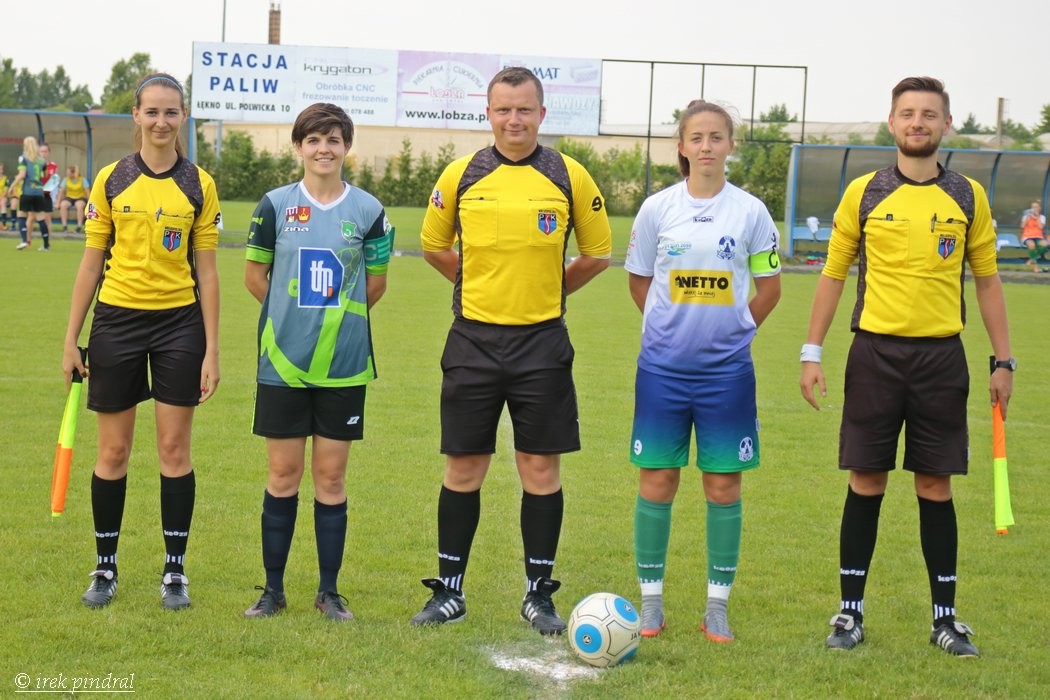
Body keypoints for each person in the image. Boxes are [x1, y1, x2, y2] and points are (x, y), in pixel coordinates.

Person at [799, 77, 1012, 658]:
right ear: (892, 122)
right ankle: (850, 613)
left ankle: (946, 619)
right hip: (874, 356)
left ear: (946, 125)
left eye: (929, 114)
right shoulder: (864, 193)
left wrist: (1004, 361)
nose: (918, 122)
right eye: (908, 113)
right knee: (866, 479)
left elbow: (988, 281)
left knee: (934, 484)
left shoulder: (968, 196)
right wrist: (812, 352)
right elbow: (833, 275)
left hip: (942, 359)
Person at [411, 66, 612, 635]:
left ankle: (538, 594)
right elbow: (433, 245)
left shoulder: (569, 175)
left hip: (542, 343)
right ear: (489, 113)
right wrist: (476, 285)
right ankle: (450, 591)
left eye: (524, 109)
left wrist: (549, 289)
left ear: (542, 114)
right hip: (472, 340)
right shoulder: (461, 174)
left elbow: (597, 255)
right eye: (503, 109)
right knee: (464, 466)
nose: (513, 119)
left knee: (540, 467)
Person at [62, 72, 221, 611]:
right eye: (151, 111)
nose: (161, 121)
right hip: (117, 323)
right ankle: (105, 567)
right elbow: (90, 265)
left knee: (175, 450)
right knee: (113, 451)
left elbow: (207, 272)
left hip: (179, 325)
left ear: (184, 117)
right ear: (136, 115)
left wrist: (213, 349)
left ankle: (175, 570)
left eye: (171, 112)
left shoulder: (199, 183)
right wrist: (71, 339)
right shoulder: (111, 179)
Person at [625, 100, 781, 642]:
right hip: (662, 372)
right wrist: (668, 331)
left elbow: (769, 289)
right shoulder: (656, 209)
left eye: (717, 137)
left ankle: (717, 607)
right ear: (682, 147)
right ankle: (651, 603)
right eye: (697, 137)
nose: (707, 146)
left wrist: (736, 331)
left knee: (722, 484)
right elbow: (640, 280)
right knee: (657, 479)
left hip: (727, 374)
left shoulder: (751, 213)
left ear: (730, 145)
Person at [243, 103, 393, 622]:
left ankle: (329, 592)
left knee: (331, 478)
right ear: (298, 147)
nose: (323, 149)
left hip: (344, 366)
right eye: (313, 140)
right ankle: (273, 590)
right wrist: (292, 324)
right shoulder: (274, 205)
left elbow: (376, 284)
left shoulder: (369, 210)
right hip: (282, 365)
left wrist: (334, 325)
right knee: (282, 474)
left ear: (347, 146)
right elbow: (254, 278)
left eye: (333, 139)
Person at [7, 136, 47, 250]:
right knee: (41, 218)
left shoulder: (23, 158)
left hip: (28, 191)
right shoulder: (42, 160)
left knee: (21, 215)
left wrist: (12, 186)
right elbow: (44, 175)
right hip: (39, 191)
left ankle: (24, 240)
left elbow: (22, 175)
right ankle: (46, 245)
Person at [37, 142, 60, 251]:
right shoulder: (35, 165)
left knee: (47, 218)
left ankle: (47, 243)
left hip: (46, 195)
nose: (43, 153)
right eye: (41, 151)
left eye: (45, 151)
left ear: (49, 153)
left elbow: (55, 181)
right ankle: (26, 241)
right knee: (30, 218)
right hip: (36, 194)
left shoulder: (53, 166)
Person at [59, 164, 91, 233]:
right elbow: (61, 191)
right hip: (69, 197)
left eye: (68, 173)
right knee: (63, 205)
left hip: (80, 197)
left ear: (73, 173)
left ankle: (79, 226)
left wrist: (90, 203)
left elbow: (87, 192)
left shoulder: (82, 179)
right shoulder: (66, 179)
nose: (67, 174)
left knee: (79, 205)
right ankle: (64, 226)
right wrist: (58, 202)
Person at [1019, 201, 1047, 272]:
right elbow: (1022, 226)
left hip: (1038, 236)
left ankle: (1031, 260)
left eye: (1036, 207)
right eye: (1033, 207)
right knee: (1032, 245)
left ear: (1039, 208)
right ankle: (1035, 266)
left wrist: (1037, 217)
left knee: (1045, 244)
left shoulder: (1042, 217)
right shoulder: (1026, 216)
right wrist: (1027, 217)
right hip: (1027, 236)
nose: (1034, 209)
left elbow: (1041, 227)